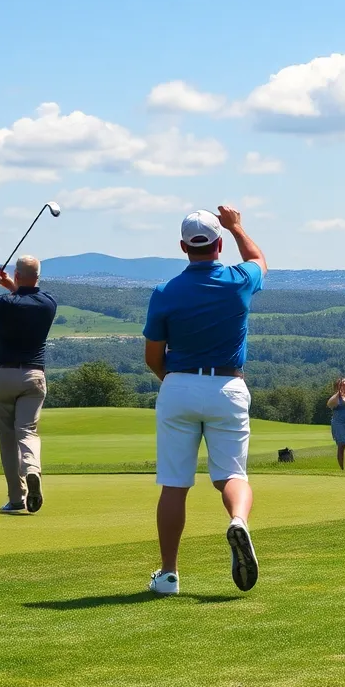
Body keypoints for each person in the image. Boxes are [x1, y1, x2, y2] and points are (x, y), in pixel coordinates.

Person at [143, 207, 266, 596]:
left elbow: (153, 356)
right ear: (219, 244)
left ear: (183, 247)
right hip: (228, 386)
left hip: (178, 385)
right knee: (232, 476)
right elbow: (258, 260)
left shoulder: (165, 292)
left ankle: (168, 575)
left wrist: (175, 382)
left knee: (174, 484)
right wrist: (237, 226)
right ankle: (238, 521)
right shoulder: (238, 280)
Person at [0, 255, 58, 514]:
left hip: (3, 375)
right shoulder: (48, 303)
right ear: (38, 277)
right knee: (27, 431)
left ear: (16, 275)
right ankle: (32, 468)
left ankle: (16, 498)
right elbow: (26, 299)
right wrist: (11, 286)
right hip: (33, 375)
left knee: (7, 439)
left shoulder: (5, 303)